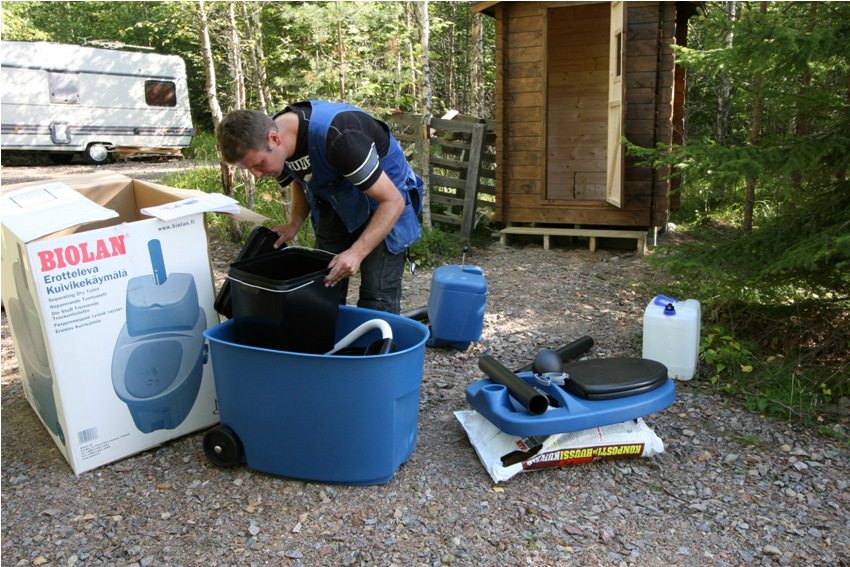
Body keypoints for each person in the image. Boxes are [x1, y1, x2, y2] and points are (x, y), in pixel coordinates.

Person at [217, 101, 423, 314]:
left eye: (258, 165)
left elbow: (393, 201)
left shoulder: (340, 137)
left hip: (385, 201)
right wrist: (294, 223)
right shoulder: (274, 139)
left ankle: (377, 334)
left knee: (377, 296)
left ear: (275, 139)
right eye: (249, 169)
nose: (257, 175)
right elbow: (299, 178)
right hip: (335, 198)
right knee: (322, 286)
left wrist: (356, 253)